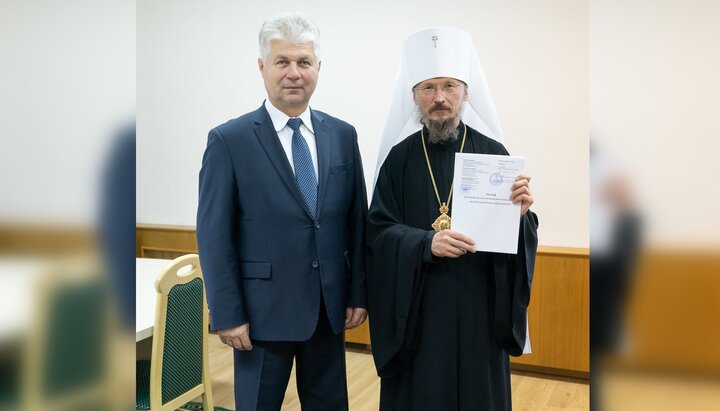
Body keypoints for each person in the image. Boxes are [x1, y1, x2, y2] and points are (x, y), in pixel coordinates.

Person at [196, 12, 367, 411]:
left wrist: (358, 291)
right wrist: (227, 313)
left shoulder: (342, 135)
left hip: (329, 312)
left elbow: (356, 221)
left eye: (304, 62)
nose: (294, 73)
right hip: (259, 318)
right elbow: (214, 234)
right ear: (262, 67)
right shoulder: (229, 140)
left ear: (318, 68)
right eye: (282, 62)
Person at [366, 27, 538, 411]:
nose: (439, 98)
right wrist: (425, 243)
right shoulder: (398, 159)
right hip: (418, 310)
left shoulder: (493, 153)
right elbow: (377, 232)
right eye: (428, 88)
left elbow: (517, 238)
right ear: (413, 96)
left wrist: (522, 214)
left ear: (465, 92)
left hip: (480, 305)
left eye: (449, 86)